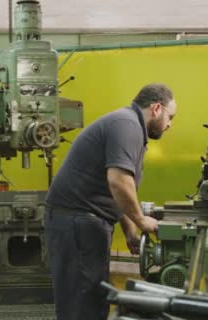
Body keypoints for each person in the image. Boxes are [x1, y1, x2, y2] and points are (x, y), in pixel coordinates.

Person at [44, 83, 177, 320]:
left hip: (86, 221)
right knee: (81, 304)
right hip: (77, 222)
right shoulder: (127, 126)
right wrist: (141, 220)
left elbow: (117, 191)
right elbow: (118, 181)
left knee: (93, 298)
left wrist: (130, 230)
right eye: (171, 116)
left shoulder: (131, 126)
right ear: (157, 108)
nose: (170, 125)